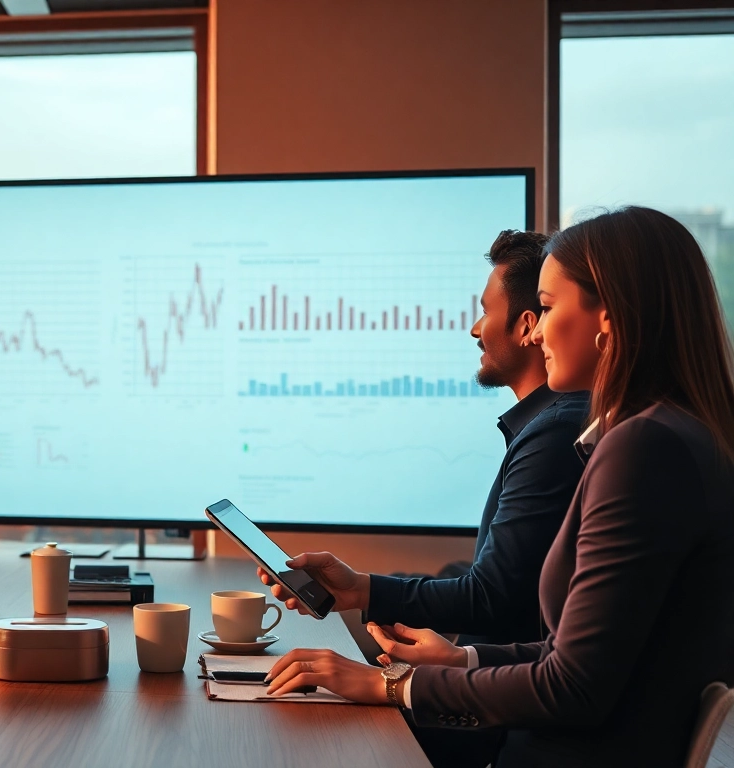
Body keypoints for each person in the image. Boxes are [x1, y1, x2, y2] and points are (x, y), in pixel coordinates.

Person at [263, 207, 734, 768]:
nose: (540, 325)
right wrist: (464, 660)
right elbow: (588, 654)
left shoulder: (642, 449)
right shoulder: (684, 434)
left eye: (551, 307)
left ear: (607, 319)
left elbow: (574, 686)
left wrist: (390, 687)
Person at [264, 230, 590, 768]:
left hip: (489, 715)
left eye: (486, 311)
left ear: (529, 326)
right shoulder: (549, 429)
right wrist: (362, 591)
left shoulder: (556, 435)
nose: (474, 328)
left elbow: (495, 599)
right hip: (484, 686)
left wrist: (399, 676)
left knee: (295, 733)